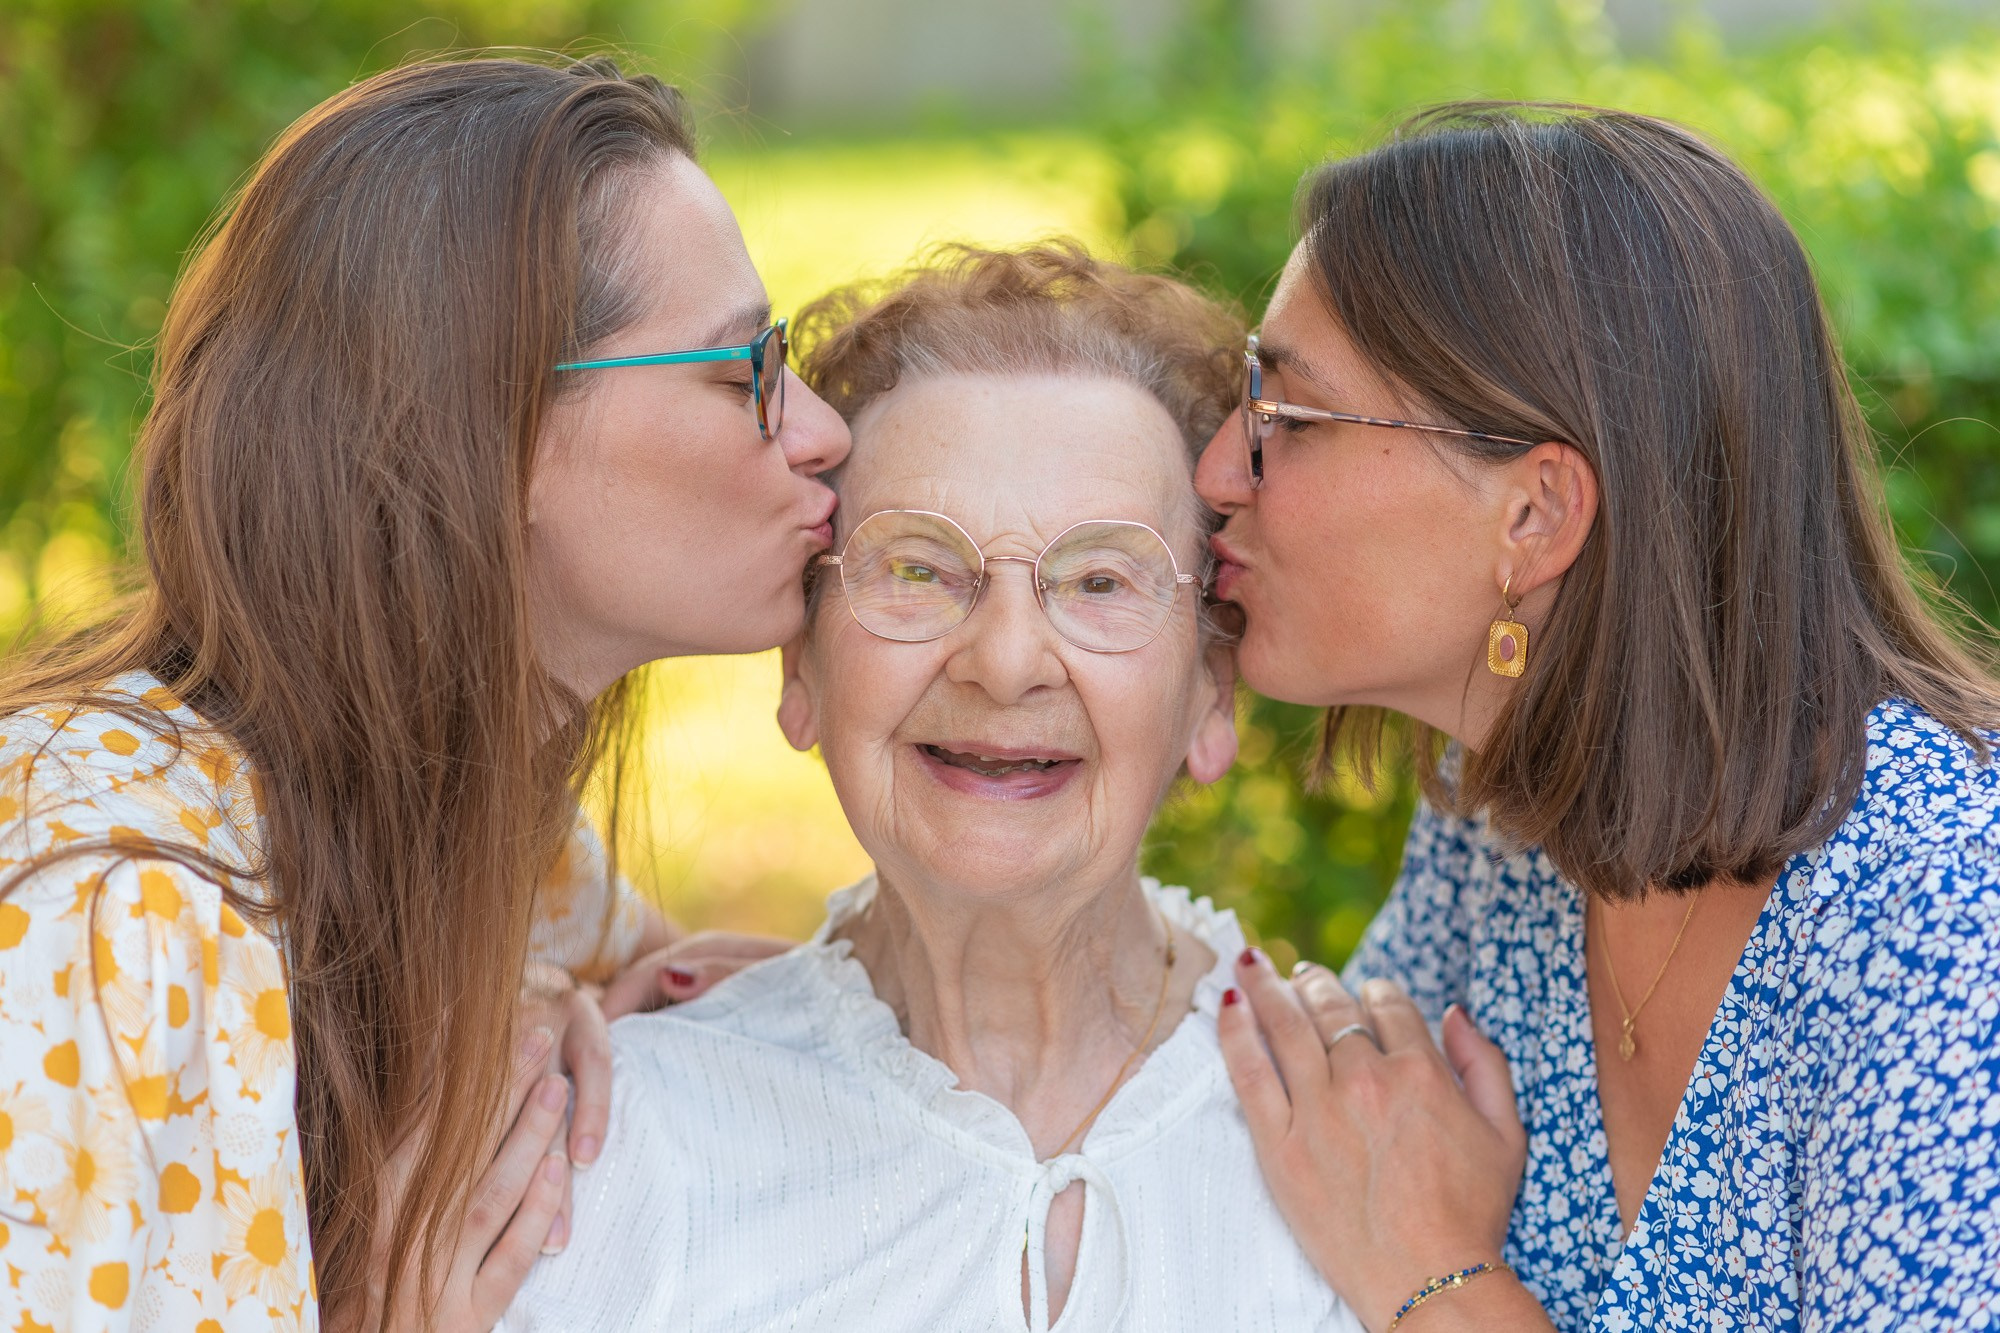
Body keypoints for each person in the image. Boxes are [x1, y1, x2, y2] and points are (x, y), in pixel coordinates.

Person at [0, 55, 848, 1332]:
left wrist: (604, 1010)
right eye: (749, 369)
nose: (824, 427)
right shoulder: (113, 918)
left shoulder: (485, 820)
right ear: (489, 426)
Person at [1200, 102, 2000, 1331]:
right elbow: (1289, 1146)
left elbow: (1381, 1227)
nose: (1216, 468)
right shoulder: (1499, 819)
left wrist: (1439, 1280)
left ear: (1533, 515)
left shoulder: (1939, 921)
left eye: (1287, 421)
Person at [500, 243, 1364, 1332]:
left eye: (1099, 580)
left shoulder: (1360, 1141)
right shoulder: (608, 1141)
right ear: (800, 672)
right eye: (916, 569)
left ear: (1209, 691)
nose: (1003, 662)